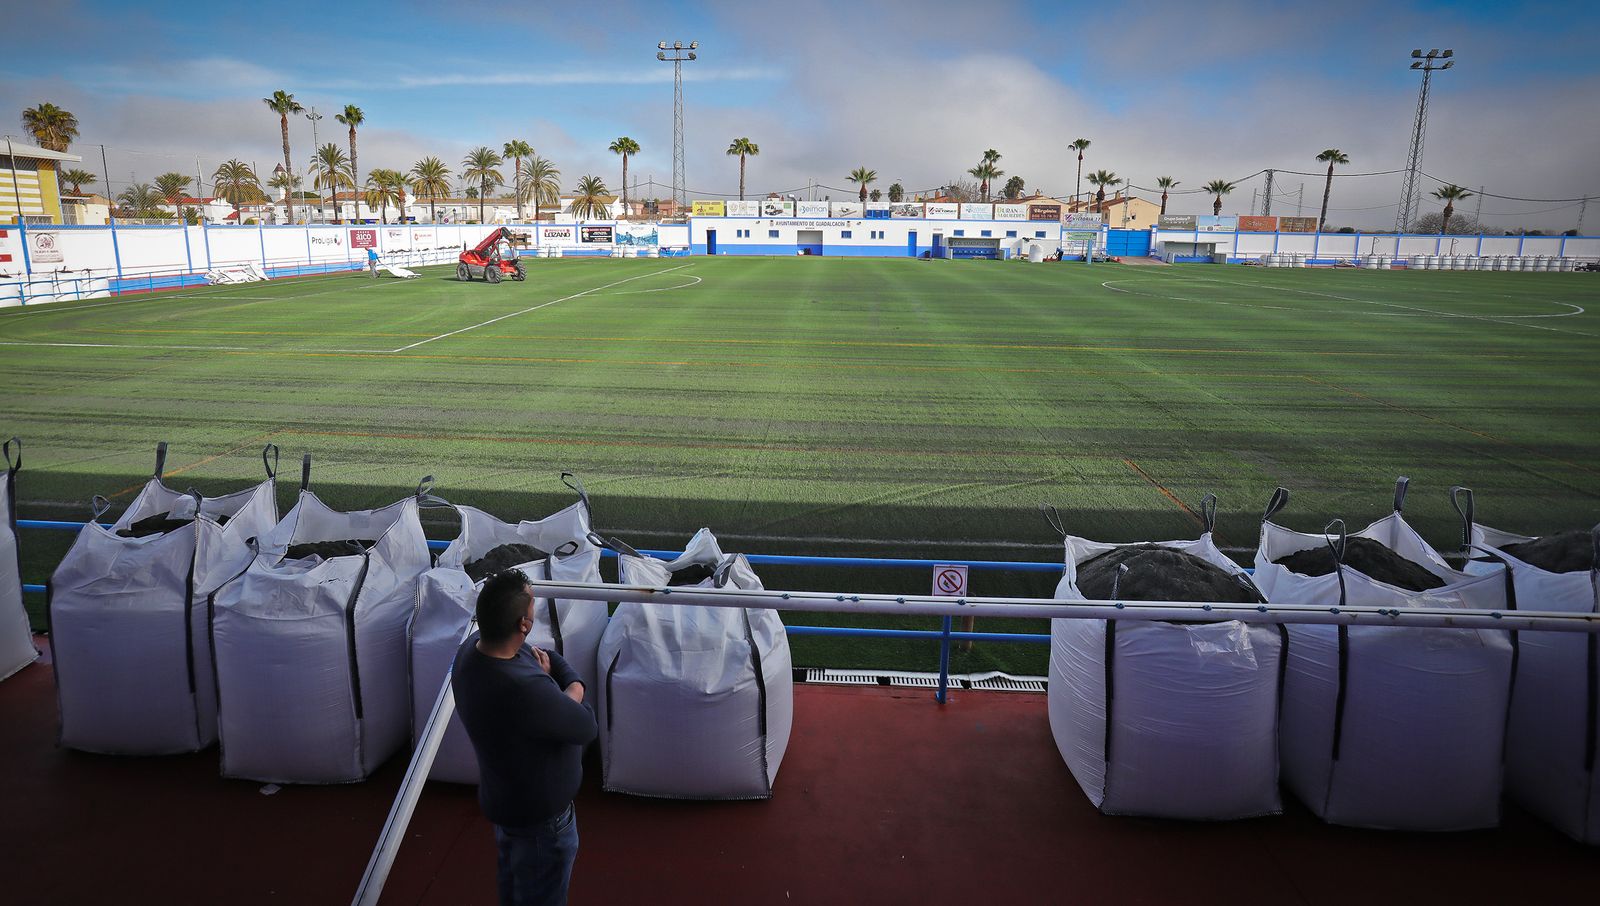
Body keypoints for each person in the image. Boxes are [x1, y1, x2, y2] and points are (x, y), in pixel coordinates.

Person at [452, 570, 596, 906]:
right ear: (523, 625)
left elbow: (540, 656)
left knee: (516, 893)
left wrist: (549, 683)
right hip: (541, 825)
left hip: (508, 806)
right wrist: (571, 688)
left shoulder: (470, 652)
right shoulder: (526, 691)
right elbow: (586, 724)